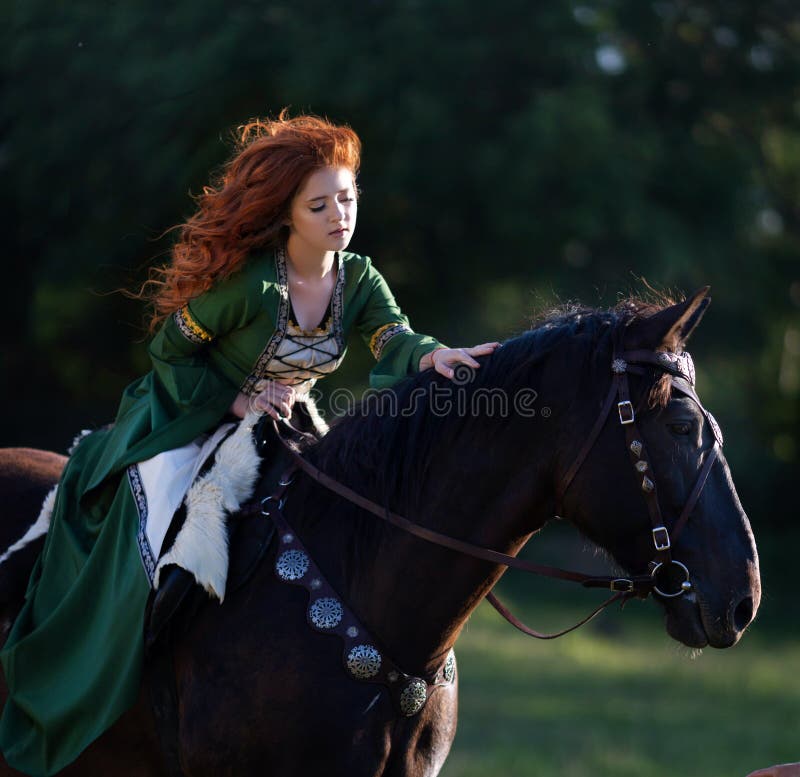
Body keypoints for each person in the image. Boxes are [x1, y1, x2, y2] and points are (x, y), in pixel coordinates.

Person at [0, 112, 499, 775]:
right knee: (165, 525)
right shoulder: (250, 285)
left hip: (287, 419)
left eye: (347, 197)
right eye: (319, 204)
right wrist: (233, 399)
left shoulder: (360, 279)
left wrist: (436, 356)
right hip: (190, 416)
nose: (338, 214)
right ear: (288, 214)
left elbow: (394, 339)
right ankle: (136, 640)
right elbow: (170, 350)